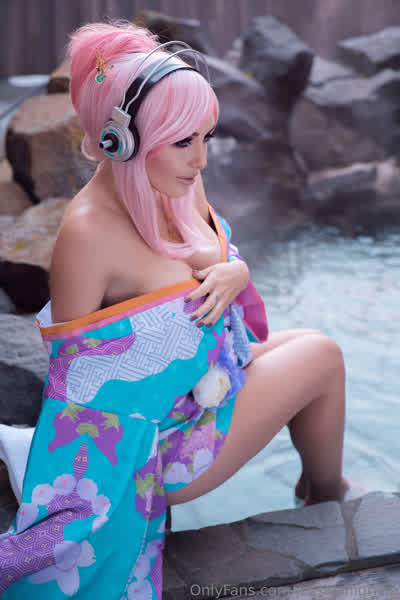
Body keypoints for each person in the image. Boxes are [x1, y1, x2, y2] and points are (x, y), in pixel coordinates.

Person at [0, 20, 351, 599]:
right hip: (158, 447)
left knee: (311, 349)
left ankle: (321, 497)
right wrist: (78, 514)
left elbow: (217, 255)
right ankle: (332, 504)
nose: (202, 159)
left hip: (206, 380)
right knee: (323, 355)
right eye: (185, 141)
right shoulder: (88, 236)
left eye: (206, 137)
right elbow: (75, 386)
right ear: (120, 140)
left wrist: (236, 272)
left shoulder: (175, 180)